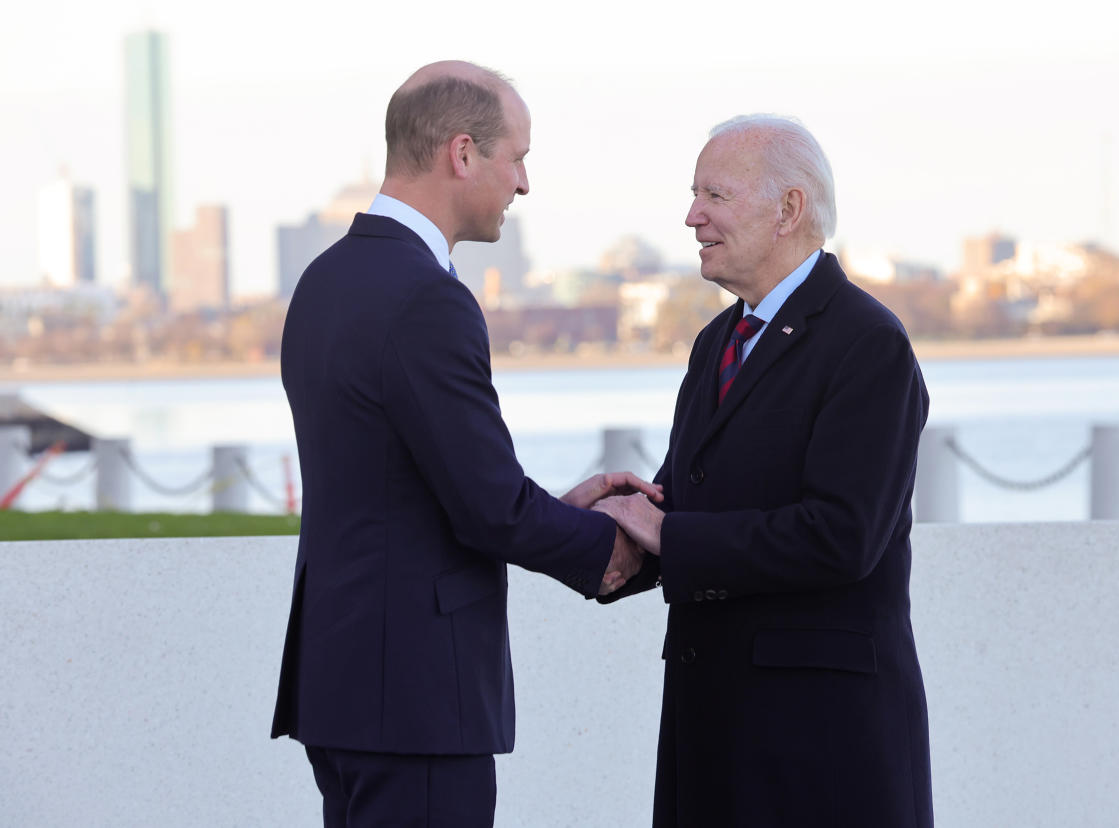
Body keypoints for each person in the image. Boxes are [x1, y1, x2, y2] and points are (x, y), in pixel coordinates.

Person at [270, 61, 652, 827]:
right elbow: (487, 510)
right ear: (462, 152)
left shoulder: (325, 281)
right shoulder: (426, 298)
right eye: (519, 156)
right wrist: (618, 550)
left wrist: (549, 507)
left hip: (340, 684)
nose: (524, 183)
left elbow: (405, 484)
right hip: (415, 696)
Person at [595, 115, 933, 827]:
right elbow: (679, 509)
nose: (692, 217)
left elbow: (842, 536)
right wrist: (598, 532)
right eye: (694, 195)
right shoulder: (716, 340)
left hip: (819, 750)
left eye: (714, 195)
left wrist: (665, 536)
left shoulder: (868, 344)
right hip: (712, 735)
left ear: (789, 209)